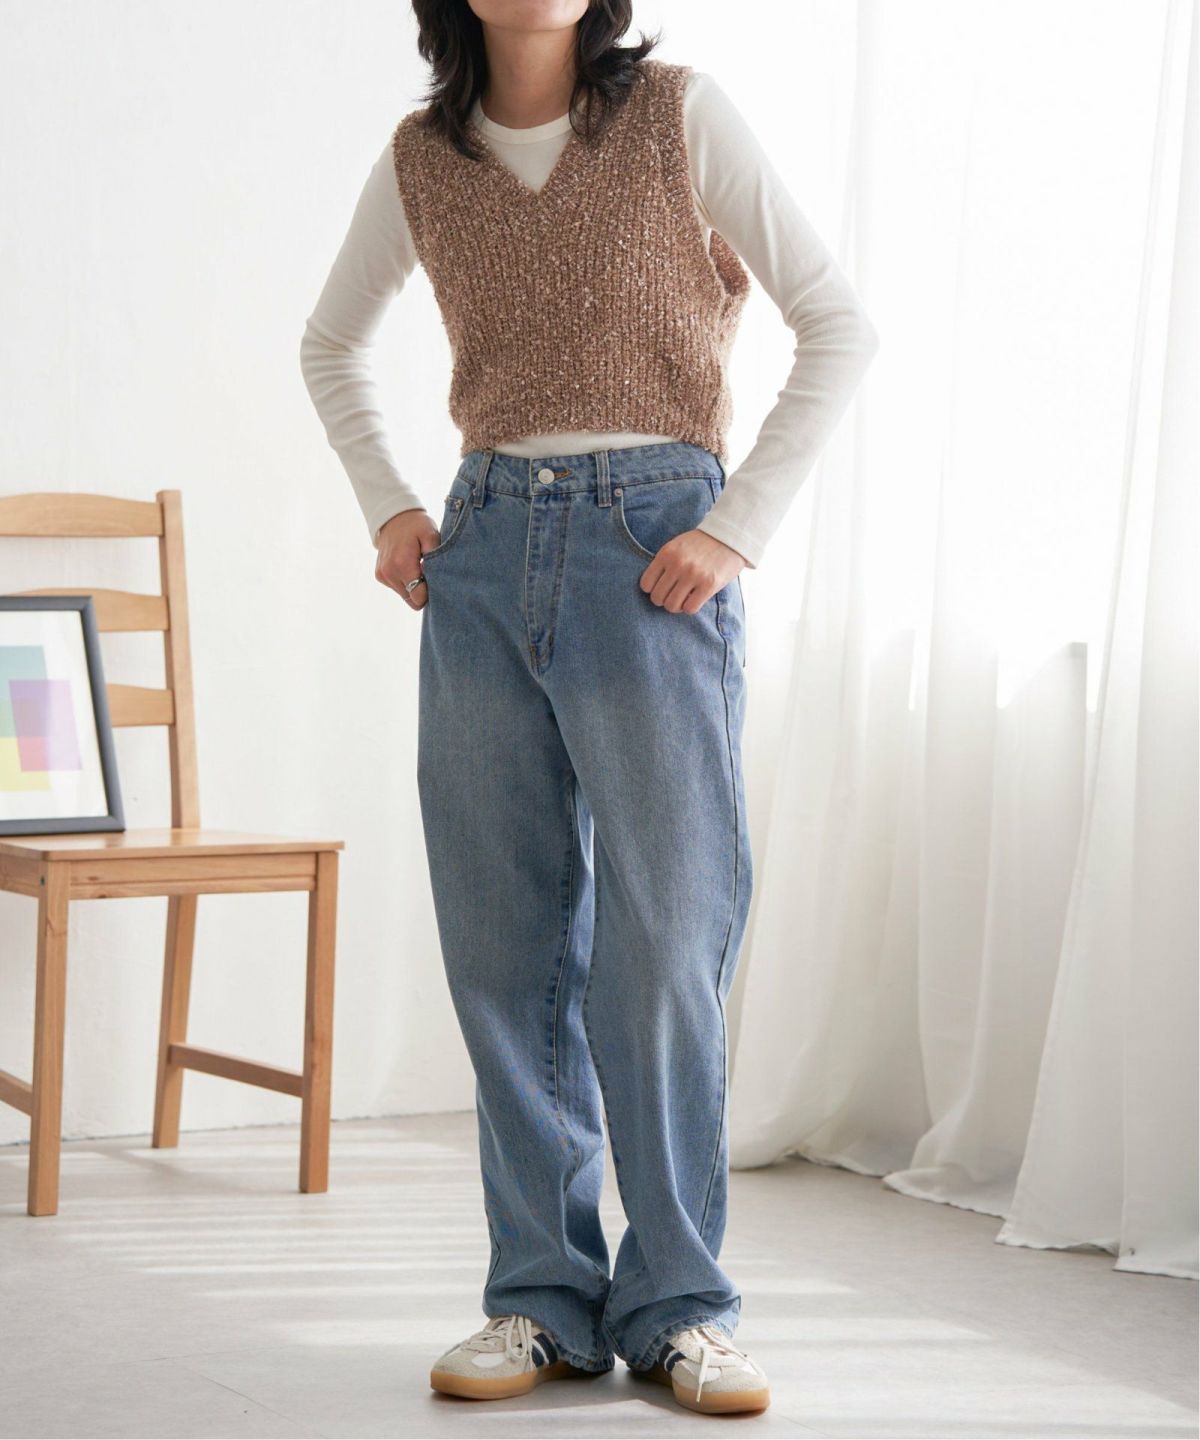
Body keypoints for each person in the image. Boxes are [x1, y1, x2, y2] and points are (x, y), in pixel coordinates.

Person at [300, 0, 878, 1417]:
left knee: (667, 939)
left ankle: (681, 1306)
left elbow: (839, 324)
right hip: (485, 553)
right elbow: (329, 345)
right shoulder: (425, 156)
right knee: (503, 945)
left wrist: (736, 527)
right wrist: (388, 505)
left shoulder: (679, 117)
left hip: (653, 553)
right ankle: (541, 1299)